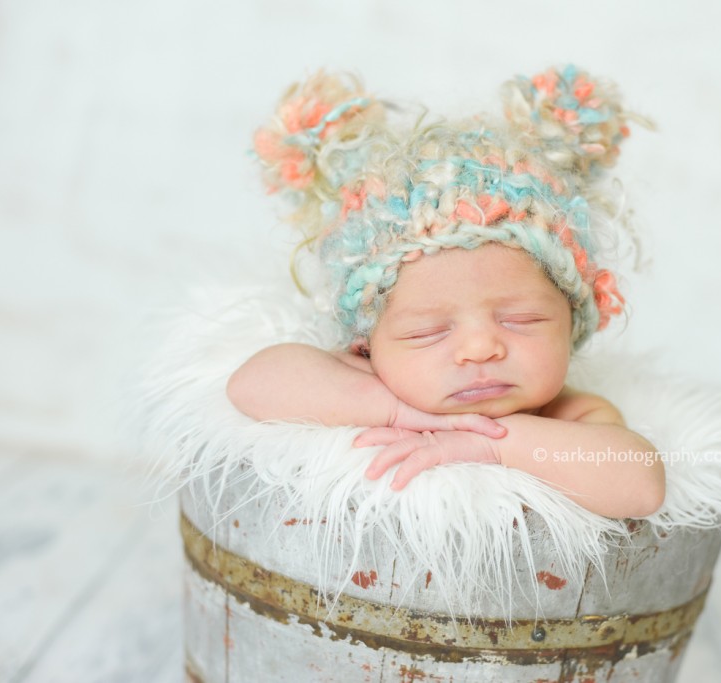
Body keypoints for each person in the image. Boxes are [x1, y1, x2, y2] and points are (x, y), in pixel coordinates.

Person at [226, 65, 665, 519]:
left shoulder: (566, 413)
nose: (480, 348)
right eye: (427, 332)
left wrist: (492, 445)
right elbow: (251, 383)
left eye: (523, 320)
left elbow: (641, 486)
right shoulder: (372, 382)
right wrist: (396, 413)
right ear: (367, 344)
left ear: (572, 321)